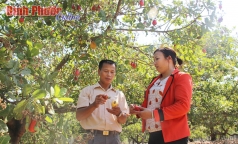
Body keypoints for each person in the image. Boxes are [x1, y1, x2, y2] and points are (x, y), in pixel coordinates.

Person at [130, 47, 193, 144]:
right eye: (154, 60)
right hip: (154, 133)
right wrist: (137, 110)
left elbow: (183, 105)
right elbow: (150, 105)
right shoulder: (155, 81)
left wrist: (153, 114)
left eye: (157, 59)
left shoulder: (181, 77)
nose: (154, 63)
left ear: (169, 59)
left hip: (174, 135)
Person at [76, 59, 129, 144]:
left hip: (114, 138)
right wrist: (94, 105)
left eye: (112, 72)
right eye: (106, 71)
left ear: (115, 74)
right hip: (93, 138)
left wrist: (119, 113)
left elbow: (123, 121)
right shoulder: (87, 91)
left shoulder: (119, 94)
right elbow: (79, 116)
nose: (109, 74)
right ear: (99, 72)